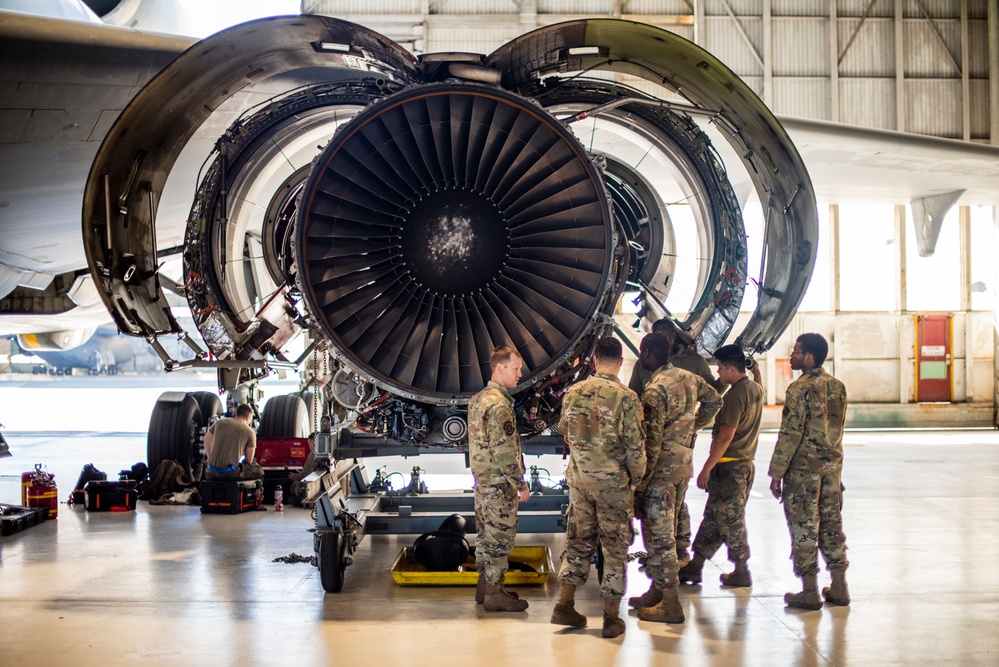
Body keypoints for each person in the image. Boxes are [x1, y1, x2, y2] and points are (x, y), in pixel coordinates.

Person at [550, 337, 646, 638]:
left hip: (579, 483)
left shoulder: (574, 392)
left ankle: (564, 604)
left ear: (593, 361)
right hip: (612, 485)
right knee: (614, 547)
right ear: (619, 362)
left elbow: (564, 428)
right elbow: (635, 448)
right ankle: (610, 618)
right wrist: (636, 479)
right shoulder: (626, 397)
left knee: (579, 541)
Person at [630, 332, 721, 624]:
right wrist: (692, 427)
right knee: (665, 531)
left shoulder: (654, 390)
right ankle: (657, 591)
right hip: (683, 466)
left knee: (660, 538)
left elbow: (652, 444)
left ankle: (670, 604)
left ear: (646, 353)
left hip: (661, 473)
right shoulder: (688, 377)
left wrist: (640, 485)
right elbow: (715, 400)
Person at [768, 333, 850, 610]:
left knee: (804, 526)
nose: (792, 355)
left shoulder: (799, 389)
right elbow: (837, 432)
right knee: (832, 525)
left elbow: (791, 434)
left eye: (797, 351)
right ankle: (839, 587)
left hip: (804, 471)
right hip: (831, 469)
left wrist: (777, 471)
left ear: (810, 357)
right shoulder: (837, 386)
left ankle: (810, 591)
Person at [678, 344, 764, 587]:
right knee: (714, 519)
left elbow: (725, 437)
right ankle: (696, 566)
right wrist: (756, 371)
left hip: (730, 468)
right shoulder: (754, 388)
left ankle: (741, 569)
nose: (718, 374)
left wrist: (706, 468)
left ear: (731, 368)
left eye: (720, 368)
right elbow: (759, 386)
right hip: (742, 466)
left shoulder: (734, 396)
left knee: (730, 520)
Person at [468, 345, 531, 613]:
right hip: (499, 484)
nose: (520, 374)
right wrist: (521, 483)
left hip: (483, 484)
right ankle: (494, 594)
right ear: (500, 368)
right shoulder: (500, 406)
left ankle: (485, 589)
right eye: (516, 369)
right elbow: (505, 452)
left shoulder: (478, 399)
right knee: (499, 539)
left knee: (484, 537)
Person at [204, 403, 263, 480]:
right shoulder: (250, 432)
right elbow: (249, 460)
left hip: (210, 472)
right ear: (248, 417)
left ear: (237, 414)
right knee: (259, 471)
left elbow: (206, 440)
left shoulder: (219, 422)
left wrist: (211, 459)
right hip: (231, 473)